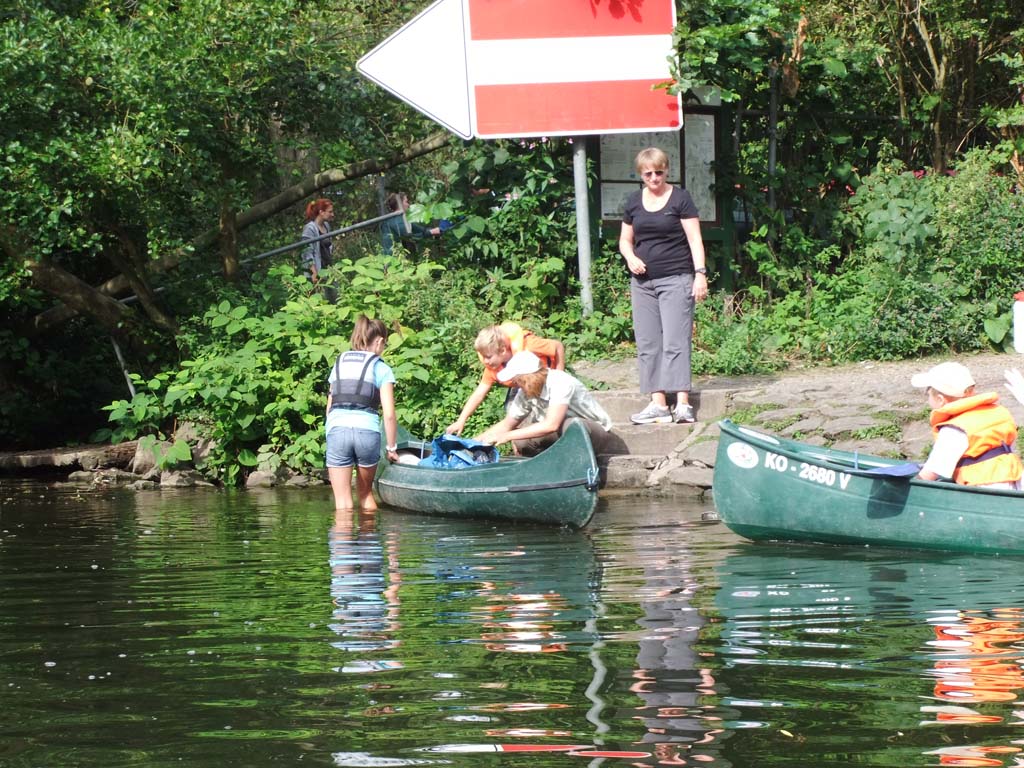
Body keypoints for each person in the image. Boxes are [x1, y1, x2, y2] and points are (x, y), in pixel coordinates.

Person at [619, 147, 708, 425]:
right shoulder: (634, 202)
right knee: (648, 342)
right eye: (648, 174)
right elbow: (625, 240)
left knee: (675, 341)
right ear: (641, 175)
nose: (654, 178)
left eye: (659, 172)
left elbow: (694, 239)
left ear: (666, 170)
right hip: (643, 283)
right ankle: (658, 403)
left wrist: (700, 274)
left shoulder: (680, 198)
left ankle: (682, 403)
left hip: (676, 277)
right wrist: (630, 257)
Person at [474, 350, 611, 457]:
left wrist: (507, 436)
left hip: (592, 432)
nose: (515, 384)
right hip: (559, 434)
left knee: (572, 425)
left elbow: (551, 425)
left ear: (529, 378)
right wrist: (475, 442)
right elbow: (507, 424)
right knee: (521, 441)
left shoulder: (560, 382)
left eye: (518, 380)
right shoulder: (525, 392)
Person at [325, 315, 400, 510]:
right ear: (380, 341)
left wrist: (331, 434)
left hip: (337, 429)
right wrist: (391, 449)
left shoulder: (340, 363)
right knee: (366, 495)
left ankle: (343, 531)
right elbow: (389, 414)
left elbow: (330, 406)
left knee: (342, 502)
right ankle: (369, 530)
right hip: (367, 432)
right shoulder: (381, 368)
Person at [910, 361, 1023, 488]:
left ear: (940, 400)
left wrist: (911, 484)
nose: (927, 399)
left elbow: (931, 472)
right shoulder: (995, 413)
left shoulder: (954, 429)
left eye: (928, 394)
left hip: (983, 490)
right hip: (1015, 483)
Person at [445, 323, 565, 436]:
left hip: (546, 380)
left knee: (549, 418)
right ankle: (518, 447)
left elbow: (557, 346)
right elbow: (479, 393)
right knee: (512, 414)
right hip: (522, 387)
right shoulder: (493, 368)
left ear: (502, 350)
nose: (485, 361)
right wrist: (461, 420)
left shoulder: (530, 346)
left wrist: (559, 375)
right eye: (482, 357)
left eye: (488, 357)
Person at [301, 198, 334, 284]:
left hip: (328, 270)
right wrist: (314, 272)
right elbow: (307, 252)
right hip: (316, 273)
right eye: (330, 212)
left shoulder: (326, 225)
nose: (332, 214)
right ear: (321, 212)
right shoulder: (310, 228)